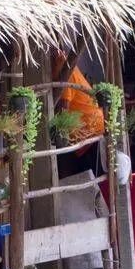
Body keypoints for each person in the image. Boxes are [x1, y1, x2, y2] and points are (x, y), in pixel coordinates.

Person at [50, 50, 106, 178]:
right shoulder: (60, 66)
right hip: (84, 134)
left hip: (90, 133)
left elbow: (63, 110)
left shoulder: (64, 70)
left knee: (88, 182)